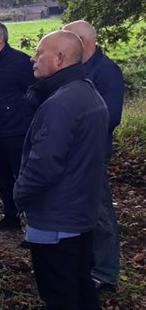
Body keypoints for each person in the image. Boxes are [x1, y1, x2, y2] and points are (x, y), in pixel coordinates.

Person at [14, 30, 108, 309]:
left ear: (59, 58)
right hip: (80, 214)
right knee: (81, 290)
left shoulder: (59, 104)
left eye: (40, 52)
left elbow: (43, 167)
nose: (33, 58)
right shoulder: (87, 93)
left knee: (59, 296)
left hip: (56, 221)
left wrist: (19, 193)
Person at [63, 20, 125, 291]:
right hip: (68, 151)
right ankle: (84, 263)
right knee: (74, 209)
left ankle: (106, 271)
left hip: (91, 153)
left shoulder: (107, 71)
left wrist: (71, 125)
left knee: (98, 211)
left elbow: (110, 116)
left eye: (67, 38)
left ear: (82, 41)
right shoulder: (74, 70)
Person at [0, 19, 36, 230]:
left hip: (16, 131)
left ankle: (34, 224)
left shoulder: (21, 62)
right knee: (1, 176)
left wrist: (20, 114)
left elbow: (34, 92)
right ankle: (11, 216)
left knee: (23, 177)